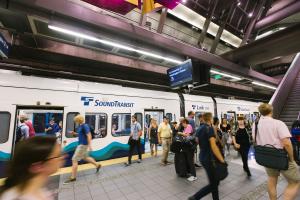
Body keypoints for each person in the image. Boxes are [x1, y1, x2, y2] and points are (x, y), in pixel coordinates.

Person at [252, 103, 300, 200]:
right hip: (281, 157)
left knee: (272, 179)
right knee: (295, 182)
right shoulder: (278, 123)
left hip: (267, 157)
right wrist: (291, 159)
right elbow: (286, 143)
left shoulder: (255, 124)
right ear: (271, 111)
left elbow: (254, 139)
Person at [0, 137, 65, 200]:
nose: (63, 157)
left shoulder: (40, 191)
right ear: (37, 166)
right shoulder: (15, 197)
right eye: (58, 156)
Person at [189, 112, 225, 200]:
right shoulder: (210, 129)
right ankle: (195, 197)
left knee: (214, 181)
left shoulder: (200, 128)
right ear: (210, 119)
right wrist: (222, 160)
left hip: (202, 157)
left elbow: (197, 141)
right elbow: (213, 146)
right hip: (210, 159)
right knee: (214, 184)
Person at [64, 115, 101, 184]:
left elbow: (89, 135)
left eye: (76, 120)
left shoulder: (85, 126)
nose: (75, 122)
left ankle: (73, 177)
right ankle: (97, 165)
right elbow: (81, 134)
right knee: (85, 157)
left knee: (74, 160)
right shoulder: (81, 126)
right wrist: (74, 133)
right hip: (82, 144)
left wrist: (90, 145)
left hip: (82, 145)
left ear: (79, 120)